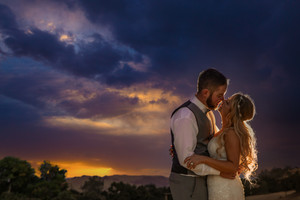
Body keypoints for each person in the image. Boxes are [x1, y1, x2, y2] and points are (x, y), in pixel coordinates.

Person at [169, 68, 232, 200]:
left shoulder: (209, 113)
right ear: (205, 92)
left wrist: (226, 121)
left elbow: (214, 140)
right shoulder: (185, 116)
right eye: (219, 95)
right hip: (188, 183)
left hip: (203, 180)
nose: (222, 100)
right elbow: (187, 161)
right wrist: (220, 172)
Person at [184, 93, 258, 200]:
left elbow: (233, 167)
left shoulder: (231, 133)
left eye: (227, 102)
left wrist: (203, 159)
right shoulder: (221, 131)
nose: (223, 101)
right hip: (216, 184)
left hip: (225, 187)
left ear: (232, 112)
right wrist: (181, 146)